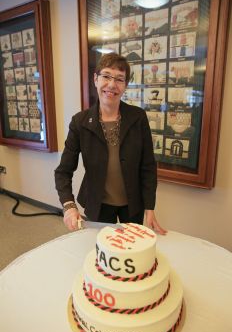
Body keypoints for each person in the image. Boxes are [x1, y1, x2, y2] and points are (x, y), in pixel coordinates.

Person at [54, 53, 166, 234]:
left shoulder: (138, 118)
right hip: (98, 204)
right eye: (106, 76)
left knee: (131, 250)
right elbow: (63, 171)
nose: (112, 85)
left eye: (120, 79)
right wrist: (69, 206)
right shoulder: (80, 122)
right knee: (104, 253)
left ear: (125, 85)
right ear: (95, 79)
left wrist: (149, 206)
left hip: (133, 205)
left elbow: (148, 166)